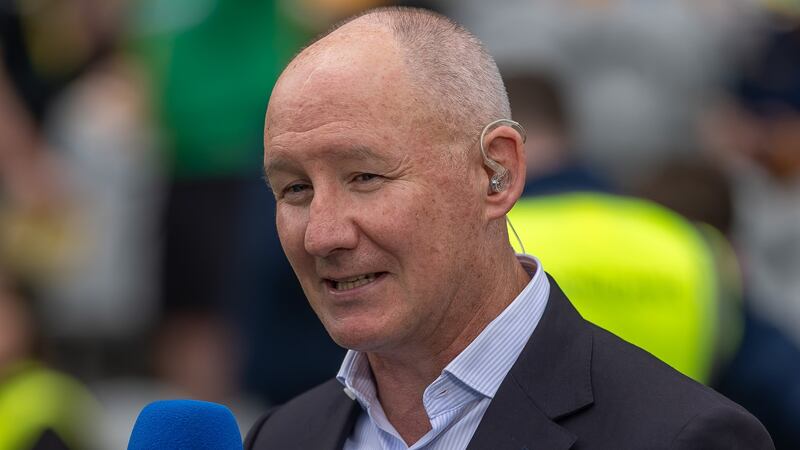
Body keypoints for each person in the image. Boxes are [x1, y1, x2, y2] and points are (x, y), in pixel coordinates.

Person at [245, 7, 773, 450]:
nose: (322, 235)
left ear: (497, 174)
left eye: (365, 177)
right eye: (295, 189)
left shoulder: (681, 436)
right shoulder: (282, 436)